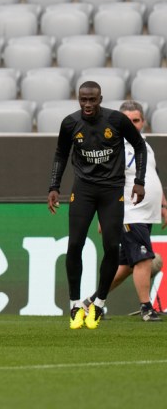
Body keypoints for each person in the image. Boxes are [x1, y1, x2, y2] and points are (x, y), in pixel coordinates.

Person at [48, 81, 147, 330]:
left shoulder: (117, 121)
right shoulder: (70, 123)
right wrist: (54, 186)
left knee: (112, 247)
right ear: (79, 100)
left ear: (100, 99)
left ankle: (99, 303)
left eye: (92, 100)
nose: (88, 104)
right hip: (83, 189)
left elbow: (139, 146)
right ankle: (74, 305)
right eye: (83, 100)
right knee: (75, 244)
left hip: (112, 190)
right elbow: (60, 154)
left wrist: (139, 181)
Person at [82, 101, 166, 321]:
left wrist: (163, 204)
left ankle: (90, 303)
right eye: (126, 120)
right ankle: (147, 308)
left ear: (143, 122)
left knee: (126, 266)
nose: (131, 124)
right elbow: (105, 181)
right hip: (129, 211)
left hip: (146, 212)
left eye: (135, 120)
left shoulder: (144, 146)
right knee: (143, 259)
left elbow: (152, 176)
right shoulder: (112, 146)